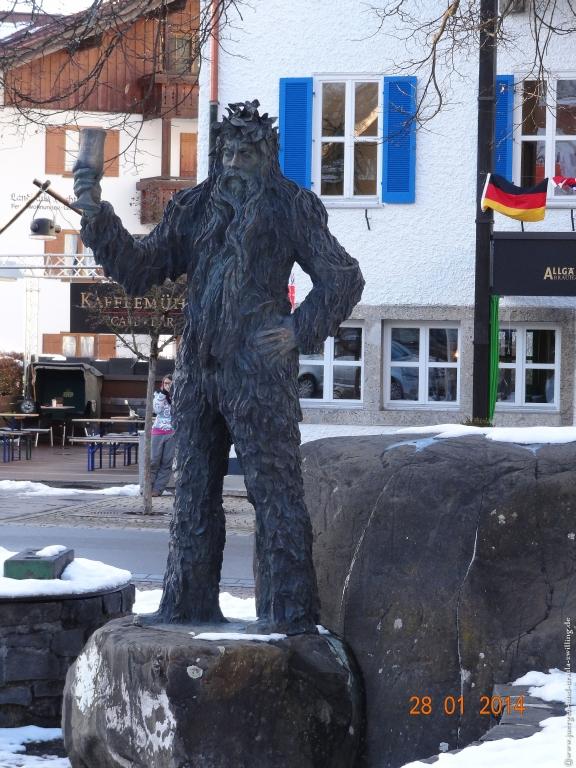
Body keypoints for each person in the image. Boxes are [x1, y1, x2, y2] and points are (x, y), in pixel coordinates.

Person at [73, 100, 364, 635]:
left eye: (246, 153)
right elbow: (140, 269)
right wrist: (96, 214)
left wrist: (297, 332)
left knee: (275, 494)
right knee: (192, 494)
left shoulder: (291, 206)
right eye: (227, 151)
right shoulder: (194, 206)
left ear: (266, 156)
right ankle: (186, 605)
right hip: (198, 372)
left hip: (259, 375)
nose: (233, 162)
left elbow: (342, 277)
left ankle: (289, 615)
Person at [150, 375, 174, 497]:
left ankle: (157, 489)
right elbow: (156, 409)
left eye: (170, 383)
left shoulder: (178, 396)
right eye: (166, 383)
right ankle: (147, 487)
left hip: (172, 433)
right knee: (153, 460)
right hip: (158, 431)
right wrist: (163, 394)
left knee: (166, 463)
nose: (168, 385)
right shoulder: (159, 396)